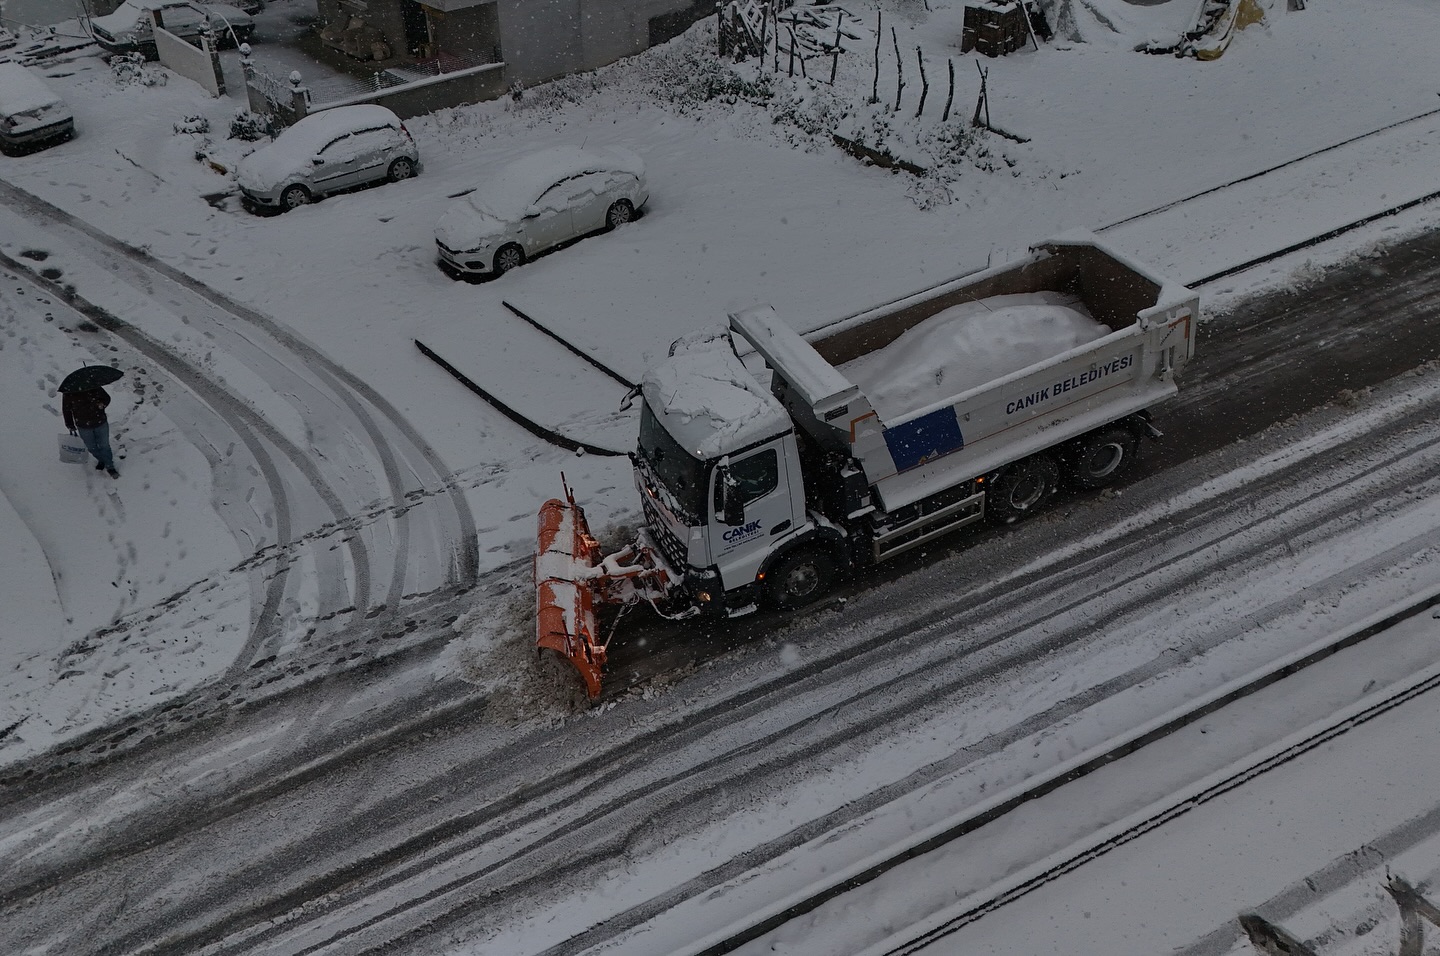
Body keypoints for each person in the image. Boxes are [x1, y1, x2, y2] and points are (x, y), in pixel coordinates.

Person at [63, 386, 119, 478]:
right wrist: (69, 424)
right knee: (91, 447)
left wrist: (102, 404)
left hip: (100, 422)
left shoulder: (94, 386)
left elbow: (107, 398)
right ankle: (101, 460)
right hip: (83, 425)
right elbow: (66, 409)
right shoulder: (69, 392)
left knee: (104, 445)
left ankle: (110, 466)